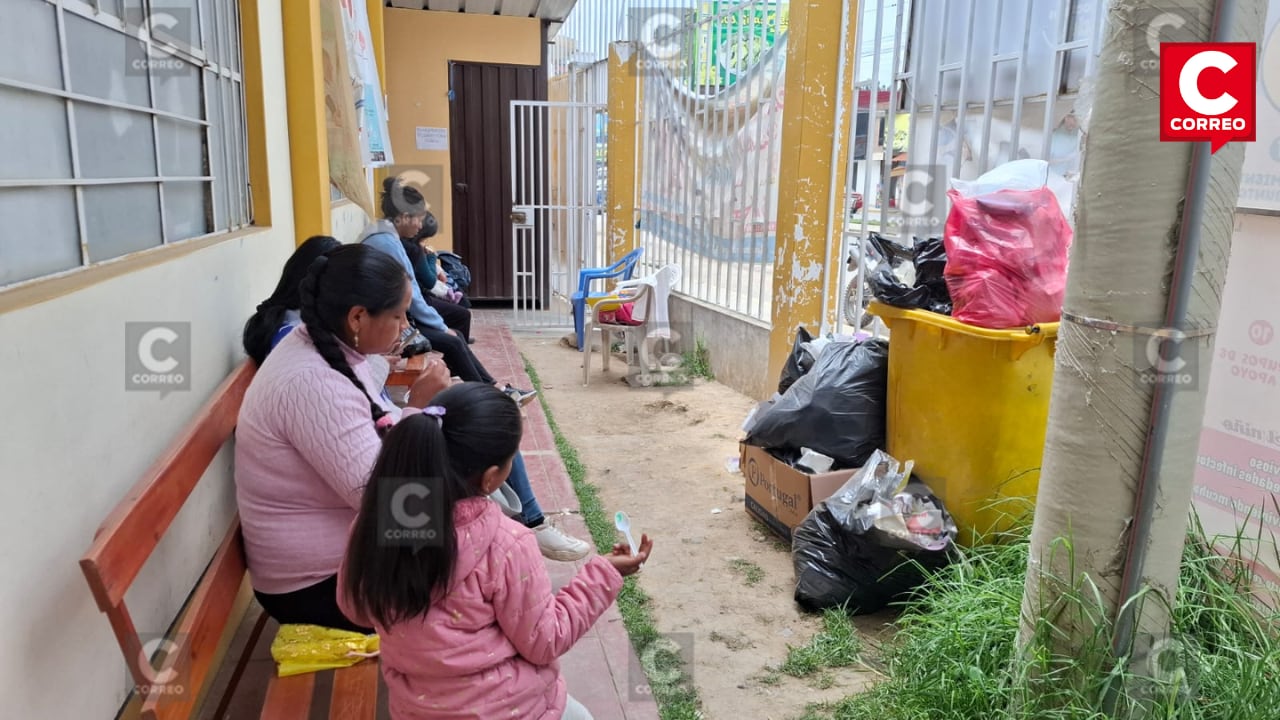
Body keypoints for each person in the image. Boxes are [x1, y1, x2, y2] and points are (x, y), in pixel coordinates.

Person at [235, 245, 587, 633]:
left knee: (482, 439)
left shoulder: (330, 351)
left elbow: (373, 429)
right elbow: (395, 508)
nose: (406, 326)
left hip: (351, 558)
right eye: (398, 315)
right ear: (357, 317)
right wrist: (420, 408)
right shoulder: (311, 383)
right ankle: (520, 633)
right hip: (319, 586)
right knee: (483, 563)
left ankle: (520, 581)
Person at [339, 383, 654, 720]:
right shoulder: (506, 544)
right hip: (511, 710)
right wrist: (604, 573)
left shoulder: (379, 522)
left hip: (416, 709)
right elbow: (545, 640)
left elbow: (356, 607)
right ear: (491, 478)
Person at [360, 177, 534, 404]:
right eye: (419, 219)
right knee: (452, 340)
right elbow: (412, 296)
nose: (420, 226)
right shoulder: (386, 243)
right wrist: (440, 326)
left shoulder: (386, 237)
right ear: (404, 217)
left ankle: (494, 389)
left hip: (392, 318)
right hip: (384, 324)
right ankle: (492, 396)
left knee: (456, 336)